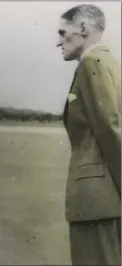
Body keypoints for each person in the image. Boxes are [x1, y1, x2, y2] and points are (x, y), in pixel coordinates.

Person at [56, 4, 121, 265]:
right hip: (107, 198)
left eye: (63, 33)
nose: (57, 41)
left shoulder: (92, 63)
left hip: (96, 199)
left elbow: (110, 127)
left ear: (83, 28)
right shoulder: (110, 63)